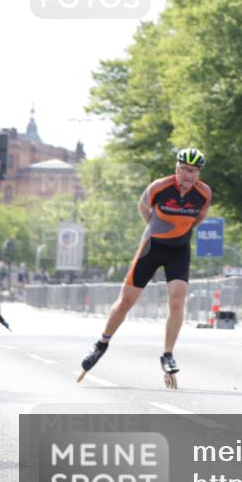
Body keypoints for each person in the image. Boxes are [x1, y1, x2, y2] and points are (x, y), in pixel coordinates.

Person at [77, 148, 212, 389]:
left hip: (179, 250)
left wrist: (181, 230)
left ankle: (168, 354)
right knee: (126, 301)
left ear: (198, 173)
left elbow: (199, 217)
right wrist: (155, 227)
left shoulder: (203, 193)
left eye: (194, 171)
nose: (189, 175)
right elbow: (143, 206)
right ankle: (101, 343)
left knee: (178, 299)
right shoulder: (160, 187)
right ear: (177, 168)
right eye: (185, 169)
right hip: (151, 247)